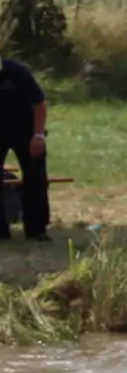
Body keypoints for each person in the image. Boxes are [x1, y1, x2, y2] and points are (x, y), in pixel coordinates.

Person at [0, 57, 50, 241]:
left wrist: (38, 136)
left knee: (35, 177)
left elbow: (39, 104)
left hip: (26, 131)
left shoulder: (17, 72)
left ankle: (37, 228)